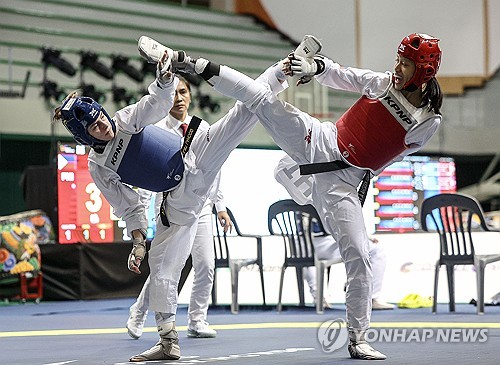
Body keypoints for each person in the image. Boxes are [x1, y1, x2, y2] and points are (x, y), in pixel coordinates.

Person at [144, 32, 442, 360]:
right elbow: (342, 75)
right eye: (398, 60)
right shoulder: (382, 82)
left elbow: (393, 153)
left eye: (405, 64)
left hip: (344, 184)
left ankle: (358, 338)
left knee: (359, 255)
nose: (397, 68)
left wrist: (363, 178)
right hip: (320, 141)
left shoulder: (427, 121)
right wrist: (314, 67)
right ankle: (188, 61)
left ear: (425, 73)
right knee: (259, 99)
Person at [54, 39, 290, 362]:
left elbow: (156, 102)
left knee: (244, 113)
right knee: (161, 267)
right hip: (180, 198)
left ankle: (282, 70)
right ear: (85, 137)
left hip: (195, 150)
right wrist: (138, 242)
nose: (103, 125)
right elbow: (128, 206)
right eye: (95, 126)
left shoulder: (123, 119)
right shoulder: (99, 167)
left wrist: (165, 78)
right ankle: (168, 341)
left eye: (100, 117)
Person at [126, 76, 232, 340]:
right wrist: (142, 213)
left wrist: (220, 205)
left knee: (207, 264)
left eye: (183, 92)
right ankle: (139, 310)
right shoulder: (154, 130)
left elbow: (214, 168)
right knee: (167, 266)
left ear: (190, 95)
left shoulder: (201, 126)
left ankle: (197, 320)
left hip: (202, 205)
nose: (178, 98)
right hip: (170, 205)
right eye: (173, 94)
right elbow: (145, 175)